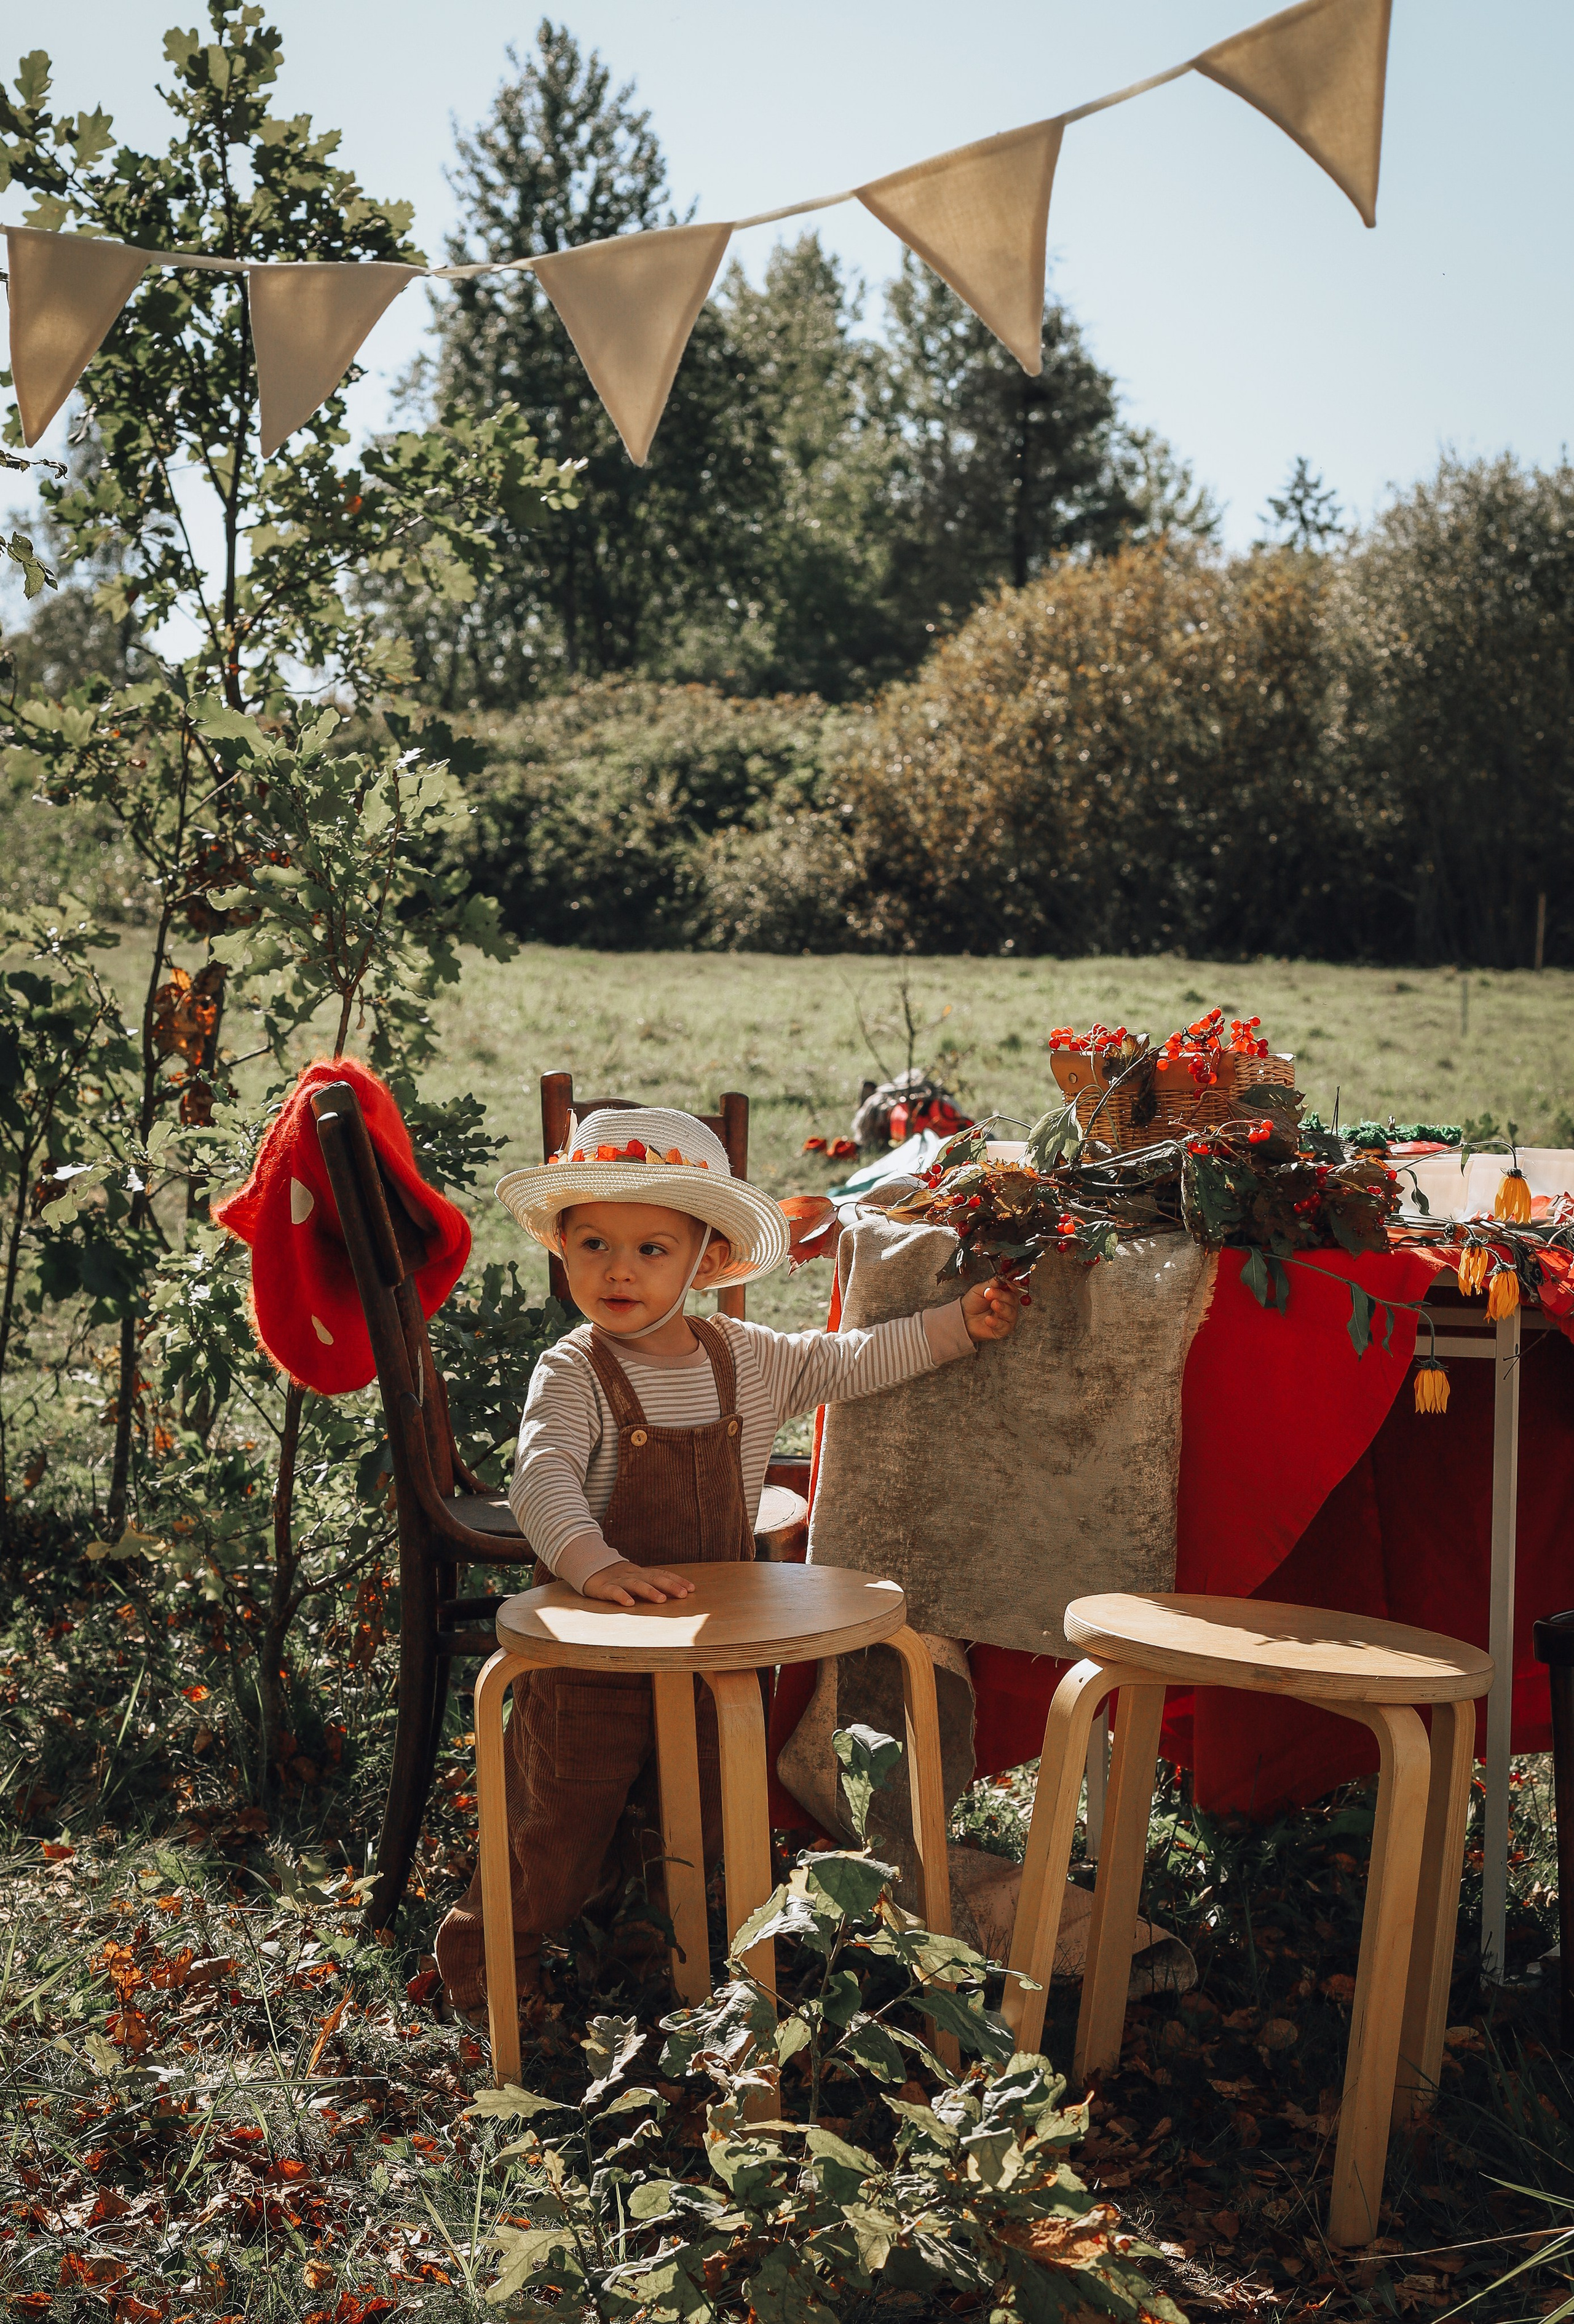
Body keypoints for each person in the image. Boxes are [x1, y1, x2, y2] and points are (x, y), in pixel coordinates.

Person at [435, 1105, 1019, 2014]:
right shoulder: (574, 1370)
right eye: (592, 1243)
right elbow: (542, 1478)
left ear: (707, 1262)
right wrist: (592, 1563)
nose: (617, 1269)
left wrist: (959, 1327)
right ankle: (489, 1967)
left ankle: (651, 1949)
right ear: (562, 1249)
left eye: (652, 1249)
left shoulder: (748, 1359)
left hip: (712, 1650)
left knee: (695, 1821)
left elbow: (856, 1359)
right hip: (593, 1652)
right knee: (555, 1830)